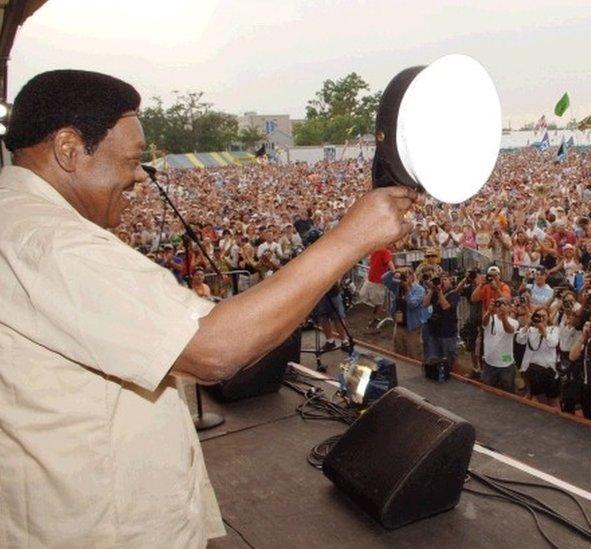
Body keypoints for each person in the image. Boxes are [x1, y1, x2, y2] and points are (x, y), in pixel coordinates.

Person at [0, 69, 417, 547]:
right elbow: (212, 352)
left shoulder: (18, 220)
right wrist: (351, 237)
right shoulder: (50, 243)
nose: (139, 176)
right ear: (69, 149)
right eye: (133, 160)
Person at [382, 267, 430, 360]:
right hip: (399, 325)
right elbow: (384, 279)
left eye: (407, 276)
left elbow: (412, 304)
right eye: (404, 276)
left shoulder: (419, 290)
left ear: (412, 277)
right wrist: (394, 271)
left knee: (414, 355)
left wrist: (407, 289)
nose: (405, 279)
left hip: (412, 328)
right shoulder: (398, 286)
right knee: (399, 354)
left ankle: (415, 373)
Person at [516, 307, 560, 407]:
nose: (541, 318)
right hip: (533, 371)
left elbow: (553, 343)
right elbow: (519, 340)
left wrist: (543, 330)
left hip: (549, 370)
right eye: (538, 316)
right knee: (538, 399)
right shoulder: (531, 330)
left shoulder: (554, 329)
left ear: (549, 317)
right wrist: (528, 324)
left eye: (543, 316)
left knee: (553, 400)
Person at [423, 273, 461, 370]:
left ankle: (452, 376)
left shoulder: (454, 294)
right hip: (434, 331)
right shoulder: (434, 292)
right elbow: (425, 303)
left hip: (448, 333)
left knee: (449, 360)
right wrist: (431, 290)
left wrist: (440, 292)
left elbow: (445, 306)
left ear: (450, 281)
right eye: (441, 280)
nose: (442, 282)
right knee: (434, 359)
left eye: (445, 279)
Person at [482, 297, 519, 392]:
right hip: (489, 363)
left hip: (506, 364)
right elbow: (484, 323)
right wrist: (489, 311)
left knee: (507, 394)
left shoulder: (514, 322)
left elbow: (509, 330)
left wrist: (503, 318)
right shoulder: (490, 318)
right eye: (498, 303)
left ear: (510, 308)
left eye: (504, 304)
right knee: (488, 392)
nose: (500, 306)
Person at [362, 245, 394, 328]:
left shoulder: (385, 251)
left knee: (378, 302)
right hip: (371, 279)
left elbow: (392, 268)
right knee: (364, 297)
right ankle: (373, 317)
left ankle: (376, 319)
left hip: (378, 281)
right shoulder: (376, 249)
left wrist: (392, 273)